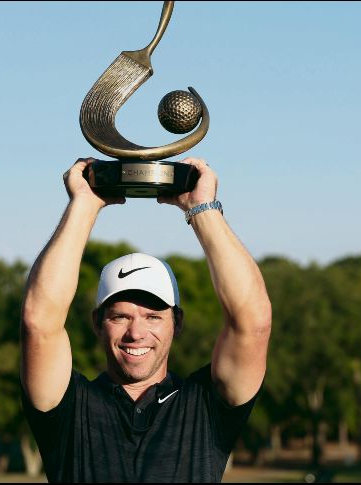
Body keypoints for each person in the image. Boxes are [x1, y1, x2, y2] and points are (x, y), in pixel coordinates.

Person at [20, 157, 271, 482]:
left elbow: (253, 324)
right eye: (121, 316)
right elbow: (39, 323)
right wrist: (84, 205)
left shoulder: (206, 406)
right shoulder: (68, 407)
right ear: (97, 322)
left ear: (177, 323)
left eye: (153, 316)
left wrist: (203, 209)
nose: (136, 332)